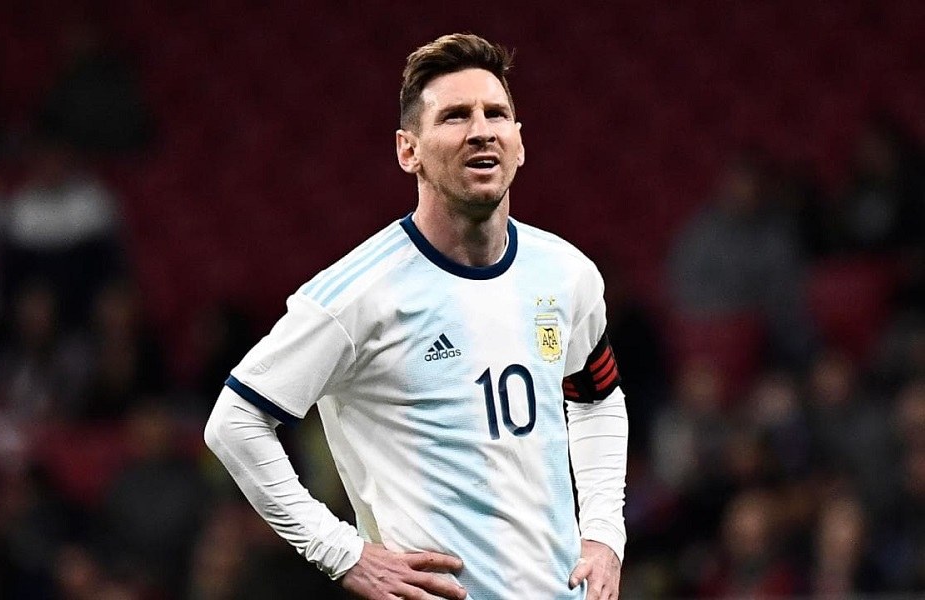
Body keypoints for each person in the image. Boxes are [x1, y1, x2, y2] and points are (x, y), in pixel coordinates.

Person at [205, 33, 628, 600]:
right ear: (409, 151)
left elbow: (597, 399)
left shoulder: (567, 274)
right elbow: (234, 422)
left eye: (496, 114)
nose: (482, 130)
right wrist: (341, 552)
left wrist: (604, 534)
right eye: (455, 116)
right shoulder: (356, 296)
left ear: (519, 143)